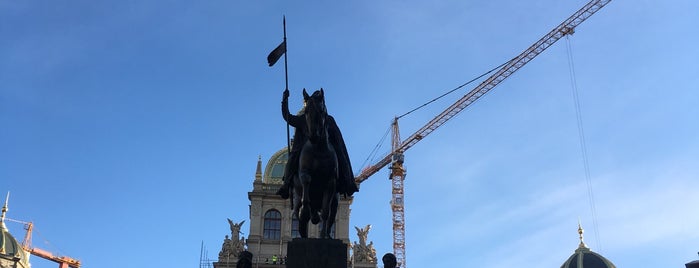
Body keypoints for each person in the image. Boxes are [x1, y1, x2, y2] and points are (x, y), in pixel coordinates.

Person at [276, 88, 358, 200]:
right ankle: (286, 185)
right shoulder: (303, 120)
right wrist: (284, 100)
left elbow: (337, 138)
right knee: (293, 157)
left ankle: (347, 180)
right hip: (303, 148)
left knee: (340, 155)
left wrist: (337, 148)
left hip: (325, 150)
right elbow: (288, 117)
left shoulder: (328, 120)